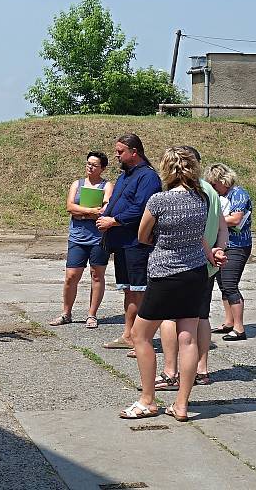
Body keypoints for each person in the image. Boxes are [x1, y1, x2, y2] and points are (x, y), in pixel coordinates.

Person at [119, 147, 223, 421]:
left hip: (165, 274)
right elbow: (200, 235)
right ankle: (181, 404)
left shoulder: (159, 201)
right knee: (187, 337)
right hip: (195, 273)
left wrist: (161, 241)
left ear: (167, 169)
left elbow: (142, 235)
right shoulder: (201, 199)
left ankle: (147, 400)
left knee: (141, 335)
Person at [154, 147, 229, 390]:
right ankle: (202, 369)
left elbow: (148, 232)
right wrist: (219, 251)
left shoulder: (175, 194)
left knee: (169, 318)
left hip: (176, 265)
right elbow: (222, 229)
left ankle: (170, 371)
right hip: (205, 266)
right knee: (202, 317)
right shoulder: (210, 192)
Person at [96, 133, 162, 351]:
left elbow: (143, 207)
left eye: (120, 151)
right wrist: (108, 210)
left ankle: (140, 338)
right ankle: (128, 335)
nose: (116, 155)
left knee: (140, 290)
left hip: (137, 243)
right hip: (121, 242)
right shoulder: (125, 175)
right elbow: (121, 201)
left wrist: (114, 220)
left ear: (134, 152)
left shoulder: (148, 177)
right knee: (129, 290)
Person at [49, 151, 114, 329]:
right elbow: (70, 207)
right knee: (71, 275)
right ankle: (66, 313)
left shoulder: (107, 185)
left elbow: (105, 209)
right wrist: (91, 211)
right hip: (78, 236)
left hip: (98, 237)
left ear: (102, 168)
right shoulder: (77, 184)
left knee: (96, 275)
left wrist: (85, 211)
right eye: (88, 163)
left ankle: (92, 315)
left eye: (94, 164)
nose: (90, 167)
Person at [206, 163, 252, 341]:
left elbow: (236, 218)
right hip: (224, 245)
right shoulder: (222, 195)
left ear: (222, 180)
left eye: (214, 185)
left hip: (237, 246)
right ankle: (229, 322)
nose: (214, 189)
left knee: (230, 284)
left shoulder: (238, 194)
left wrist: (213, 220)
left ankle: (239, 328)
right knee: (223, 285)